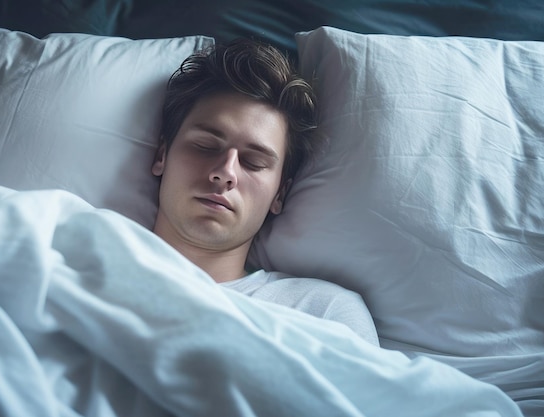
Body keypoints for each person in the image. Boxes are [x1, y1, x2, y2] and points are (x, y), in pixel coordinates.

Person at [152, 39, 379, 346]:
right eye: (205, 146)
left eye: (254, 162)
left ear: (279, 196)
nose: (225, 172)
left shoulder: (323, 313)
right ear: (161, 156)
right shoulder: (77, 260)